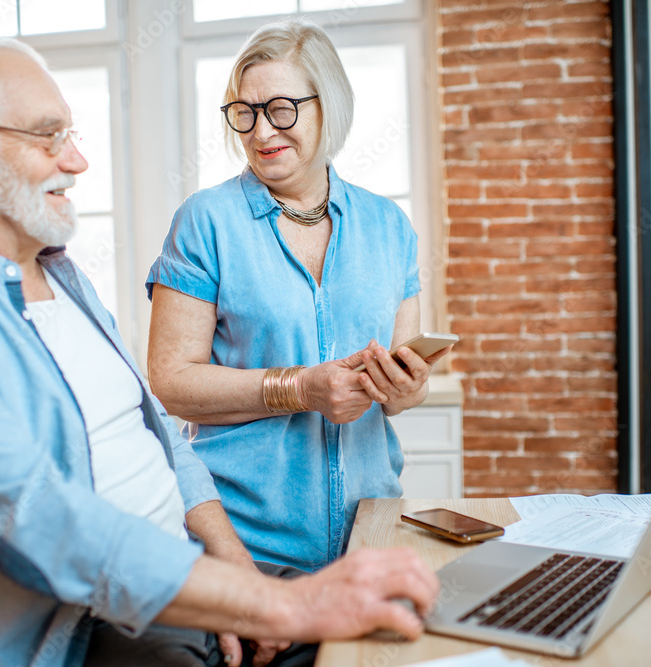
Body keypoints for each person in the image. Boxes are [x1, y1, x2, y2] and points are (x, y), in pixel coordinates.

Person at [0, 36, 438, 667]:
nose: (79, 160)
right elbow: (44, 523)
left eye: (72, 133)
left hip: (187, 583)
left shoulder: (61, 279)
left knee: (429, 635)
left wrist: (235, 578)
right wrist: (267, 604)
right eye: (48, 137)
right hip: (97, 625)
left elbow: (162, 441)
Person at [146, 19, 450, 572]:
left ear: (327, 106)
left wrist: (407, 387)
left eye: (281, 108)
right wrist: (301, 388)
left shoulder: (388, 226)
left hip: (372, 534)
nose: (262, 132)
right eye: (246, 112)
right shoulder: (205, 222)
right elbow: (171, 384)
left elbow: (404, 396)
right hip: (245, 545)